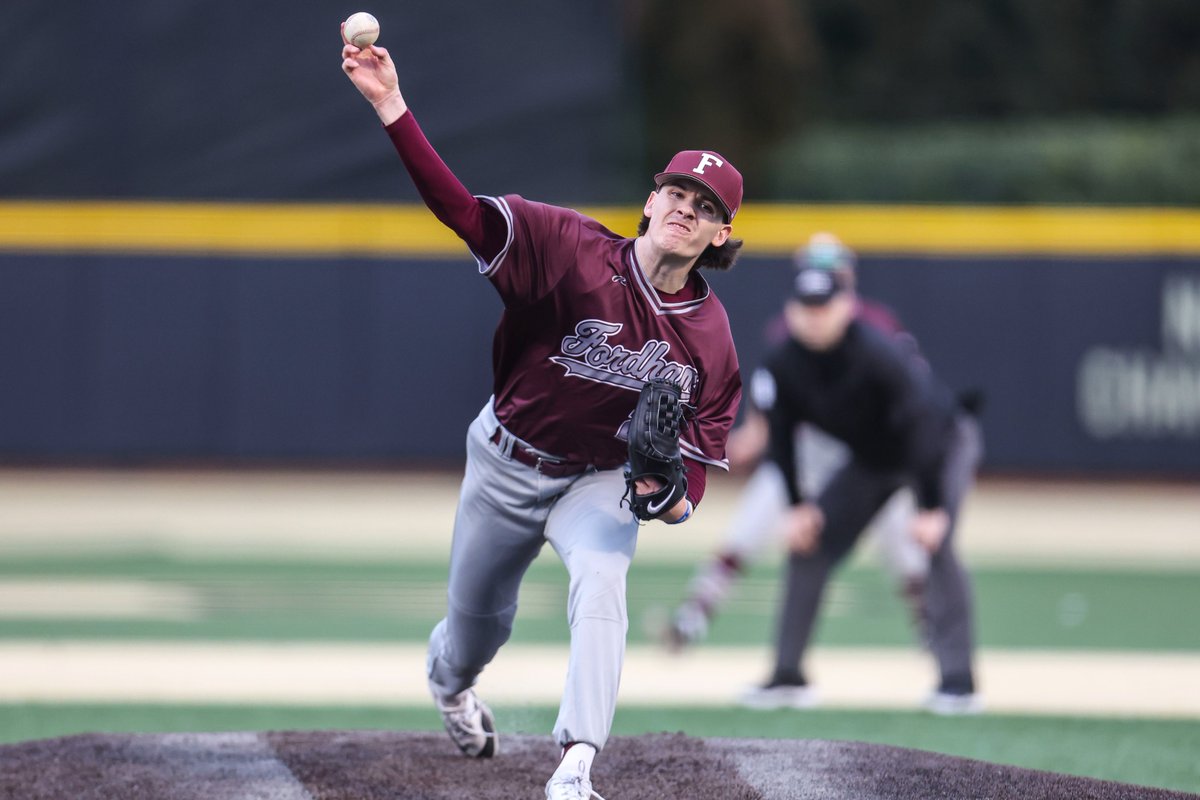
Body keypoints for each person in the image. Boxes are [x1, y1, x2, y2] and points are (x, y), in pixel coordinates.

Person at [341, 28, 744, 800]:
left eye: (705, 207)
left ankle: (577, 762)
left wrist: (670, 496)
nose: (685, 210)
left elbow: (694, 464)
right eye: (676, 194)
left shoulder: (710, 341)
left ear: (720, 233)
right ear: (651, 201)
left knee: (602, 580)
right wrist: (392, 106)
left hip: (599, 480)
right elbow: (461, 212)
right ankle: (450, 682)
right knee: (476, 629)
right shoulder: (567, 247)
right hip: (506, 459)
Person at [661, 234, 929, 655]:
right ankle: (693, 616)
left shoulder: (877, 326)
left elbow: (911, 397)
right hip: (803, 452)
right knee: (746, 530)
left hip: (866, 457)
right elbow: (774, 403)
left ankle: (936, 630)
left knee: (904, 544)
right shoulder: (789, 330)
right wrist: (748, 437)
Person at [738, 258, 984, 715]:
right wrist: (797, 505)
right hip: (874, 457)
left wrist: (931, 506)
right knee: (809, 541)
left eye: (823, 305)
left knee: (937, 546)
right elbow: (782, 435)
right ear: (791, 310)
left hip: (940, 445)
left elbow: (922, 424)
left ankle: (958, 682)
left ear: (846, 307)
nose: (814, 316)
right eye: (806, 306)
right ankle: (787, 675)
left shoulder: (876, 352)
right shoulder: (783, 362)